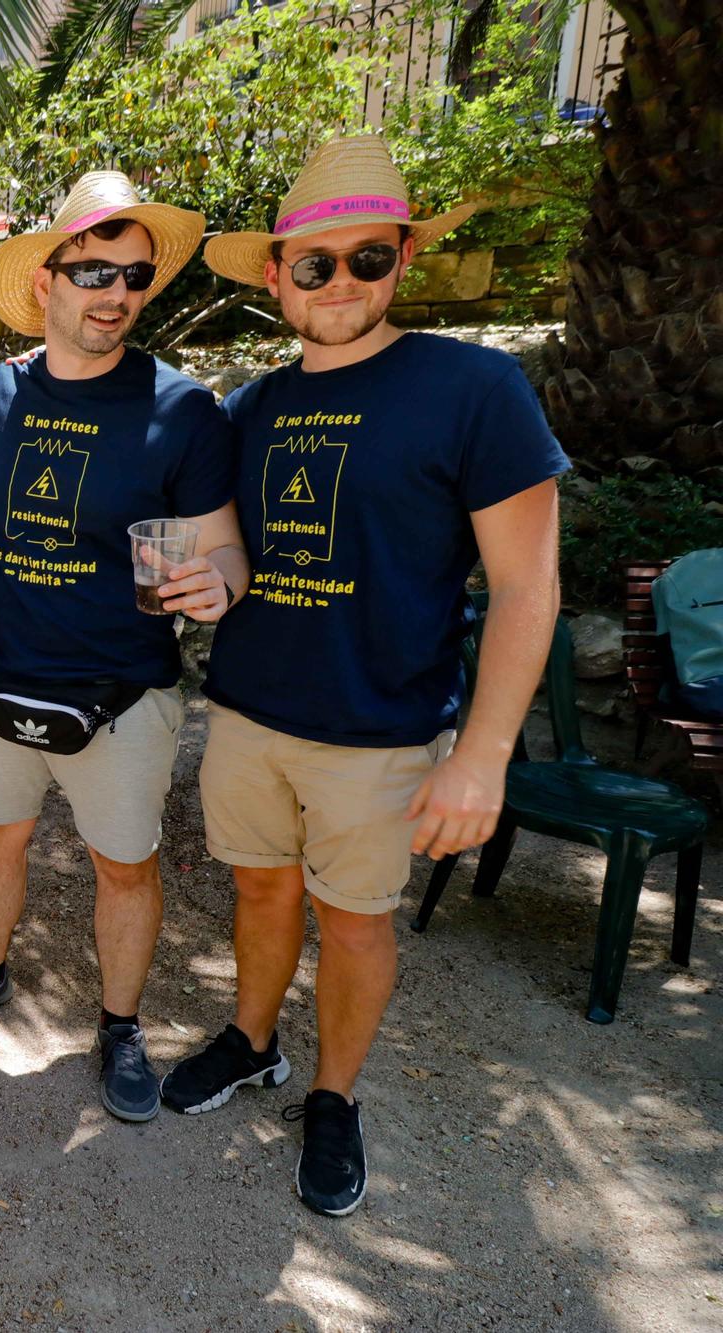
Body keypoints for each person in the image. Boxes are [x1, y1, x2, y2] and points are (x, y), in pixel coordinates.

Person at [161, 135, 566, 1216]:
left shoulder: (471, 386)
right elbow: (242, 550)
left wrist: (478, 759)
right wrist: (214, 583)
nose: (340, 282)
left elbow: (527, 590)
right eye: (314, 263)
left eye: (368, 259)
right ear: (272, 273)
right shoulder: (248, 409)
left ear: (399, 264)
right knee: (256, 886)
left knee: (354, 923)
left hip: (381, 732)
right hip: (248, 715)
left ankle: (333, 1095)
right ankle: (251, 1040)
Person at [0, 174, 249, 1124]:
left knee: (125, 865)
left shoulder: (182, 411)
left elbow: (222, 545)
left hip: (125, 692)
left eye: (135, 276)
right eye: (94, 268)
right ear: (48, 280)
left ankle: (122, 1024)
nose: (116, 292)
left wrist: (220, 581)